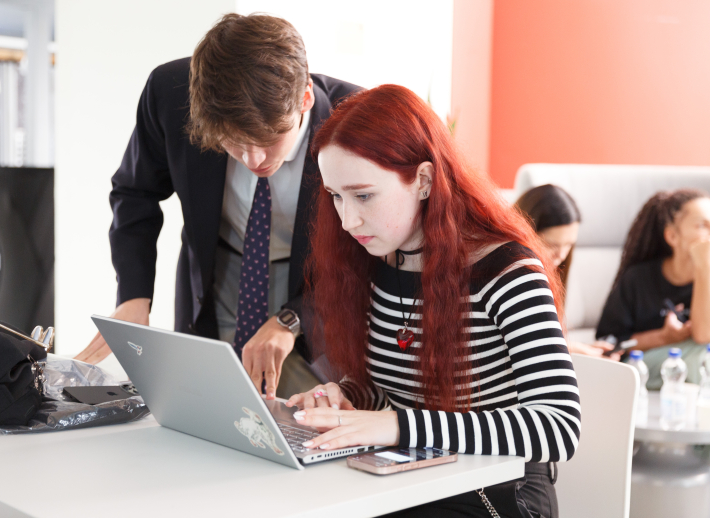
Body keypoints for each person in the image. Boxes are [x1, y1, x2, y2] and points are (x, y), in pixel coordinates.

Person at [286, 85, 579, 517]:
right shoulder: (378, 258)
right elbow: (396, 387)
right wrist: (347, 397)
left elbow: (558, 428)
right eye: (335, 196)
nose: (347, 220)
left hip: (496, 493)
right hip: (413, 478)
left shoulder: (506, 271)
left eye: (363, 195)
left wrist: (396, 426)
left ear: (423, 180)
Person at [74, 14, 361, 399]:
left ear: (305, 97)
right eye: (233, 143)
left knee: (303, 420)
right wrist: (133, 297)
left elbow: (365, 253)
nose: (253, 158)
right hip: (217, 278)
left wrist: (293, 318)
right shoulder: (170, 94)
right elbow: (135, 191)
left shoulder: (357, 119)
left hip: (318, 285)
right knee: (205, 409)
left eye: (270, 138)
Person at [596, 189, 710, 388]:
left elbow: (702, 334)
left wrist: (703, 268)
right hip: (644, 367)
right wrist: (663, 337)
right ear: (673, 236)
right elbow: (609, 343)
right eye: (702, 225)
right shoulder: (637, 279)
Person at [515, 184, 618, 359]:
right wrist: (578, 351)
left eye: (569, 244)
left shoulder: (552, 270)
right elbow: (526, 342)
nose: (561, 255)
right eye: (551, 245)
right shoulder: (513, 275)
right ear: (524, 234)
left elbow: (543, 336)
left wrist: (582, 350)